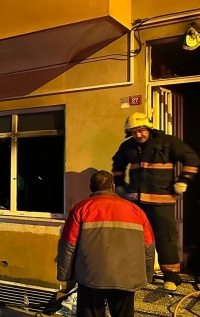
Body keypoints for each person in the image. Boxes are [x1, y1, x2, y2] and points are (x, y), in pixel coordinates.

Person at [112, 112, 200, 291]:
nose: (138, 135)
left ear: (149, 128)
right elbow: (117, 166)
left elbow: (192, 159)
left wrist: (184, 180)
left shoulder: (168, 142)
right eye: (134, 132)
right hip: (137, 204)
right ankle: (140, 274)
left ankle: (171, 277)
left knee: (165, 239)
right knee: (136, 239)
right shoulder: (127, 146)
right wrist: (120, 186)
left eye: (141, 130)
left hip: (162, 202)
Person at [57, 171, 155, 317]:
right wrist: (147, 275)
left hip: (90, 276)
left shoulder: (81, 208)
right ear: (112, 187)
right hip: (126, 277)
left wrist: (65, 275)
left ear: (91, 187)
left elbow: (68, 245)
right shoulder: (135, 211)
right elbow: (148, 245)